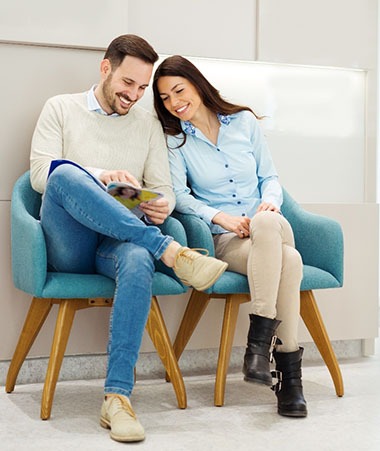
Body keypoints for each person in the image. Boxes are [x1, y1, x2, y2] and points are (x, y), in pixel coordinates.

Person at [30, 37, 228, 443]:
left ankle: (117, 398)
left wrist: (159, 205)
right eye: (128, 83)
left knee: (138, 257)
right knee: (65, 174)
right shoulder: (61, 108)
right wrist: (102, 176)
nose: (134, 96)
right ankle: (170, 251)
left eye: (142, 88)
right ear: (106, 69)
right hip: (72, 244)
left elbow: (163, 189)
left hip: (118, 241)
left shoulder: (147, 123)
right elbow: (39, 176)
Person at [152, 55, 307, 418]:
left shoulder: (243, 122)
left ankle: (257, 344)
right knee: (292, 260)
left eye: (179, 90)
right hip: (228, 238)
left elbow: (270, 177)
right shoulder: (175, 141)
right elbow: (182, 195)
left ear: (197, 84)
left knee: (267, 226)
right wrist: (221, 217)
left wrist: (267, 206)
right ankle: (289, 378)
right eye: (164, 98)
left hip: (270, 224)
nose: (174, 102)